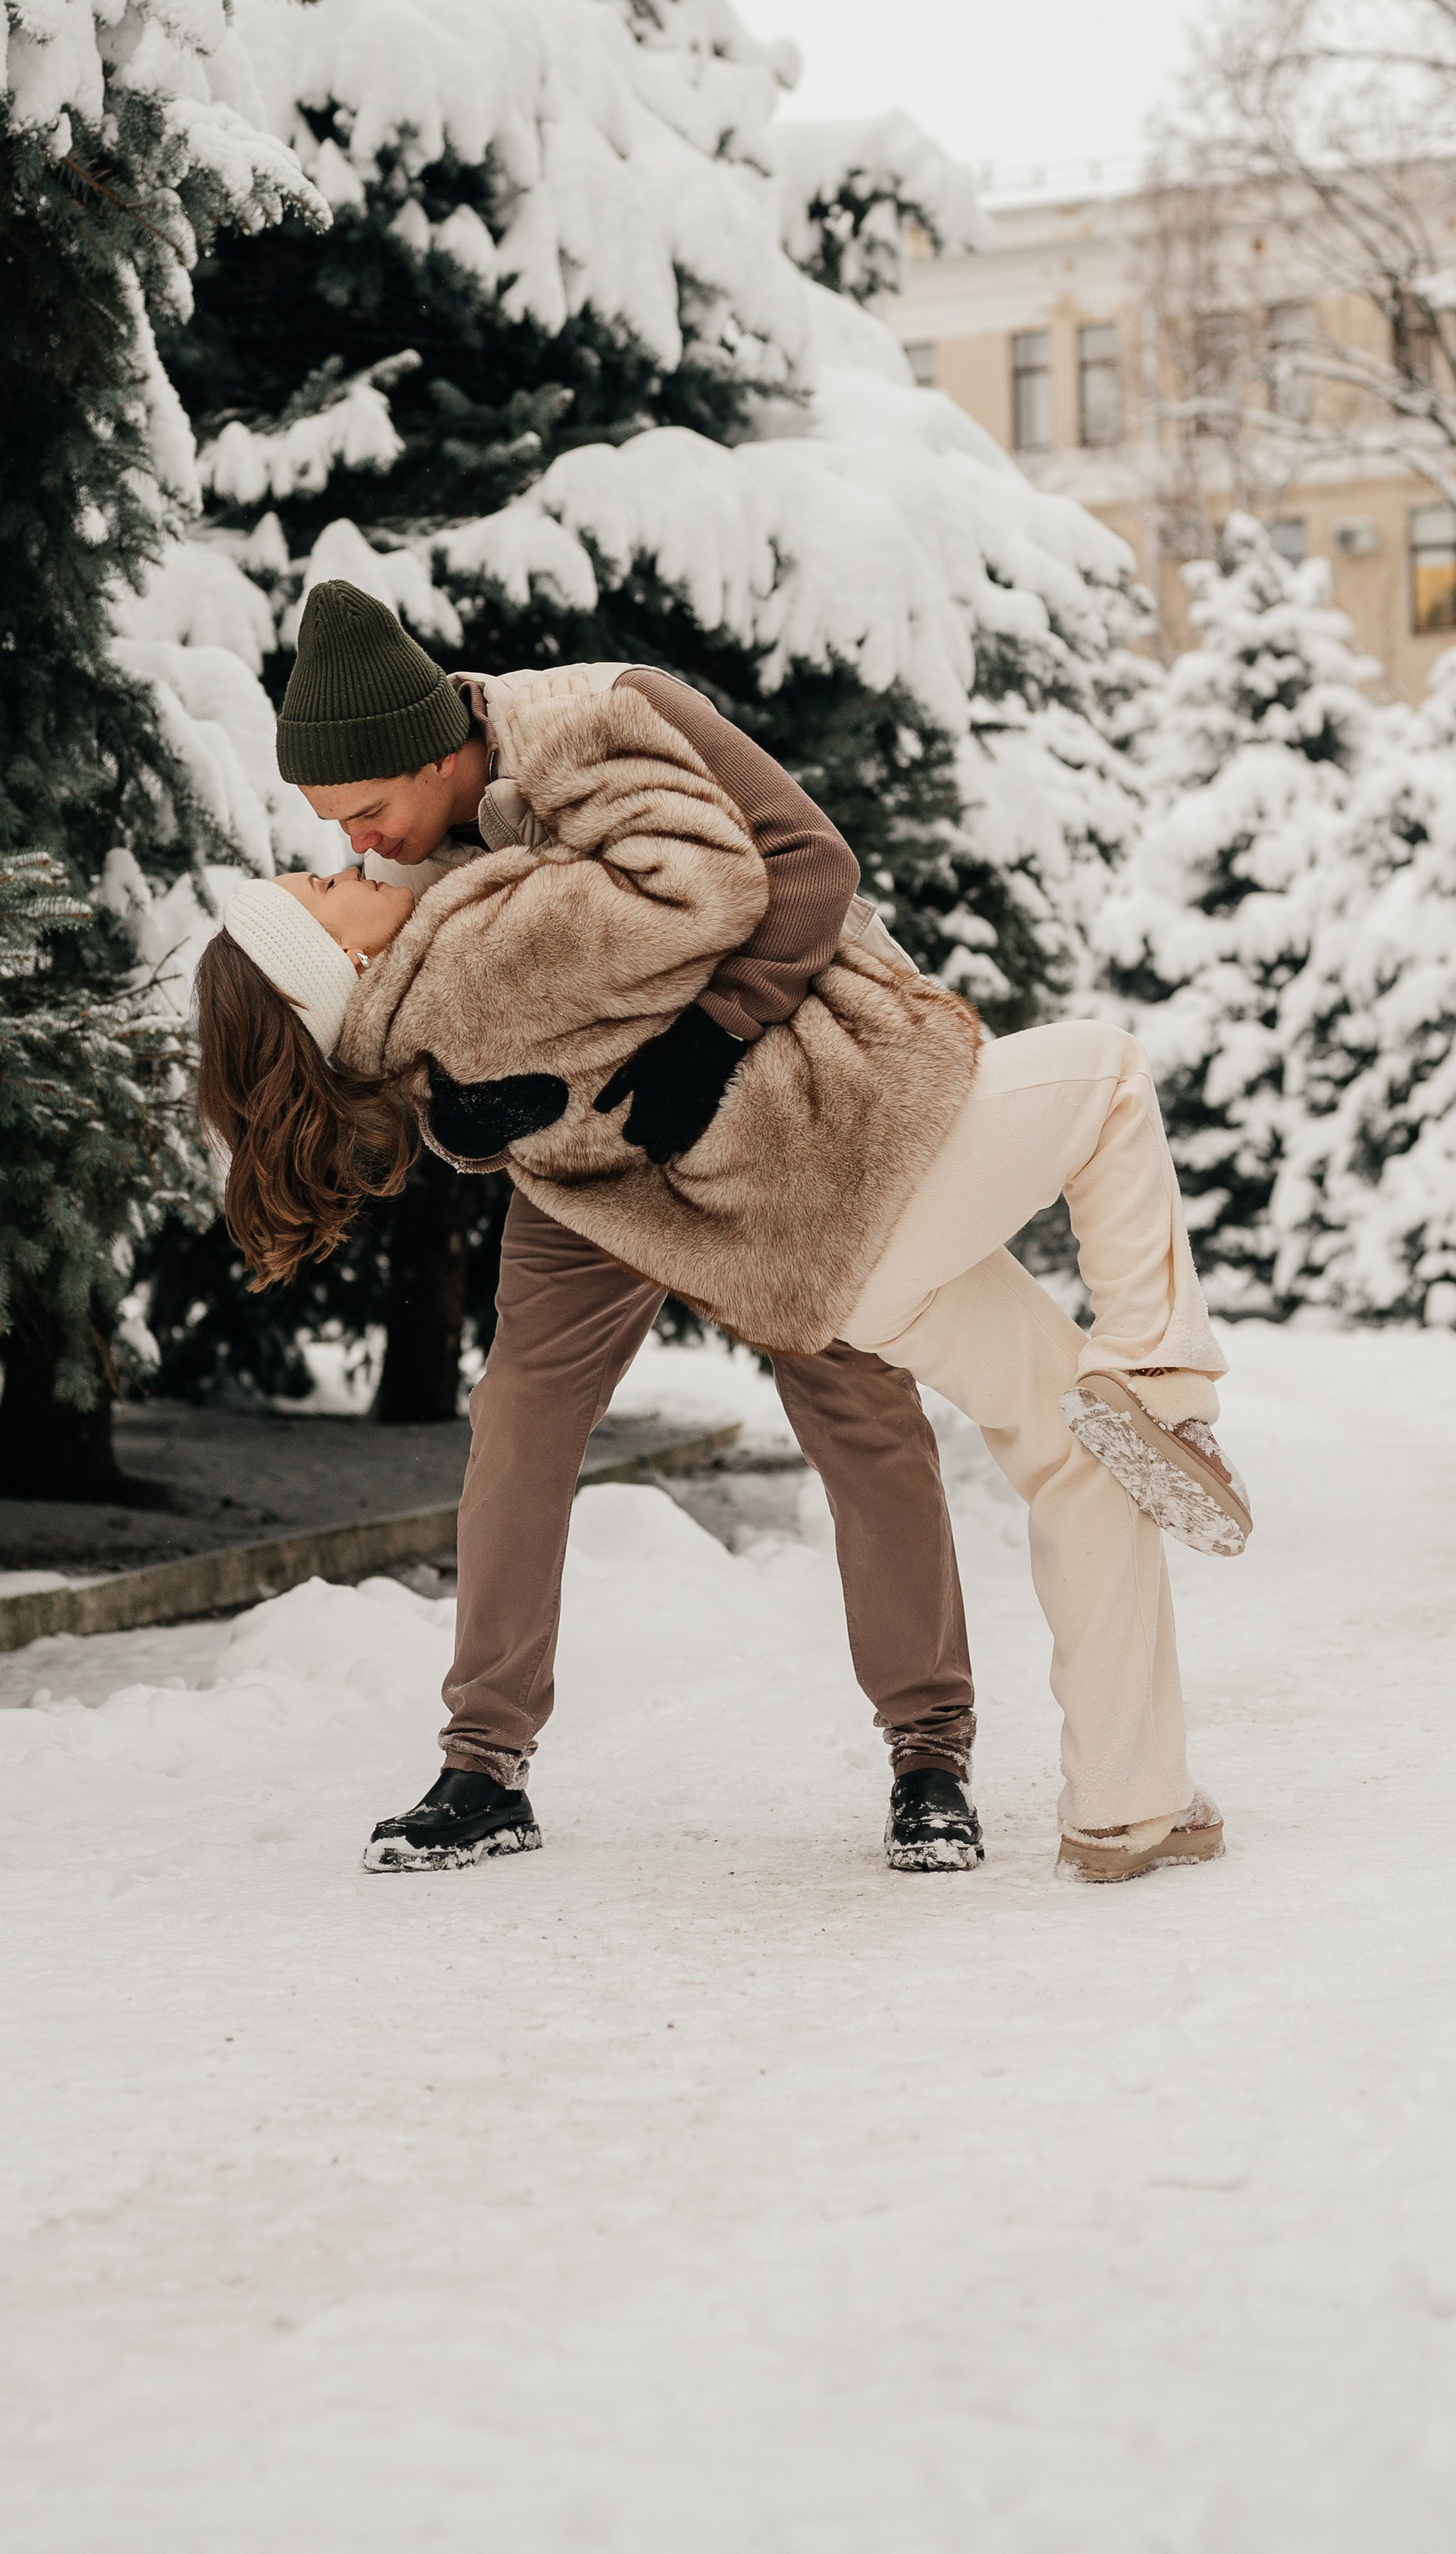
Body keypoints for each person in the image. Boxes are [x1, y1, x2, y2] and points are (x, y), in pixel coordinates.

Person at [195, 585, 1250, 1886]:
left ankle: (929, 1751)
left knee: (858, 1403)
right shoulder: (395, 868)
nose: (363, 850)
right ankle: (483, 1762)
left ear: (431, 747)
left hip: (779, 1097)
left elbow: (810, 868)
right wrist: (476, 1128)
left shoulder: (608, 717)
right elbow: (406, 1042)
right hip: (592, 1175)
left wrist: (717, 1034)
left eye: (366, 815)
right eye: (338, 836)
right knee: (522, 1413)